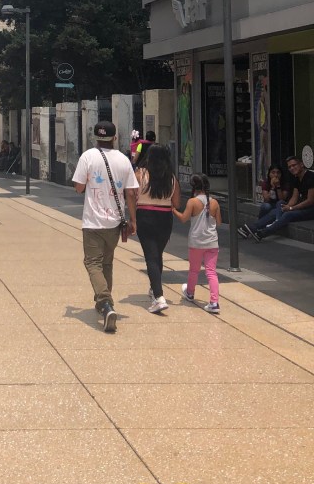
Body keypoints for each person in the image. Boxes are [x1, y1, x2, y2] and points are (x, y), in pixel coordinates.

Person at [72, 121, 139, 334]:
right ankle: (104, 303)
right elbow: (131, 192)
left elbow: (78, 188)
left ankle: (105, 302)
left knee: (92, 263)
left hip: (93, 222)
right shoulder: (124, 160)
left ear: (96, 137)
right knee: (107, 263)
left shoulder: (87, 157)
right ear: (114, 138)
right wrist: (133, 220)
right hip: (115, 223)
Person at [133, 143, 181, 314]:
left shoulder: (140, 174)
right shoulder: (171, 178)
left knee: (150, 256)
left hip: (145, 215)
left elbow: (131, 194)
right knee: (157, 253)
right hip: (165, 218)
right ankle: (155, 289)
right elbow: (177, 203)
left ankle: (159, 296)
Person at [172, 173, 221, 313]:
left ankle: (190, 293)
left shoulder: (192, 202)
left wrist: (173, 210)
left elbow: (183, 218)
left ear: (194, 187)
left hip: (196, 242)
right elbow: (218, 222)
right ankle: (214, 302)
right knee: (211, 272)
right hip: (212, 242)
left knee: (194, 270)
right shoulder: (214, 202)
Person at [241, 155, 314, 241]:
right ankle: (250, 228)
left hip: (311, 209)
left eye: (294, 165)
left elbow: (310, 201)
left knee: (288, 214)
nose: (292, 168)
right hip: (302, 207)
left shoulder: (310, 177)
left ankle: (262, 233)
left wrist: (291, 208)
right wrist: (287, 207)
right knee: (278, 207)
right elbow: (294, 197)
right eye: (289, 167)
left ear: (301, 164)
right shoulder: (297, 178)